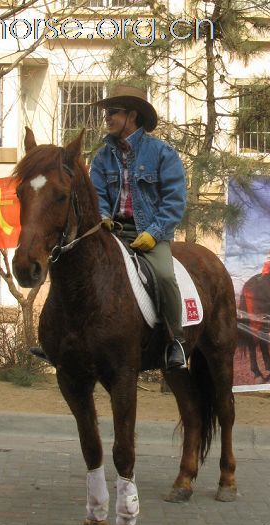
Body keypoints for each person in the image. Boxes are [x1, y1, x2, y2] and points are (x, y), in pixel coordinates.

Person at [90, 84, 188, 369]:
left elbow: (174, 201)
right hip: (112, 232)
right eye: (107, 112)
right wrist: (103, 215)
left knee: (165, 277)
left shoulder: (162, 154)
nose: (107, 117)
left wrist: (154, 233)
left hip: (150, 233)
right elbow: (97, 194)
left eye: (113, 112)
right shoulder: (101, 157)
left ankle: (177, 342)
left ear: (131, 115)